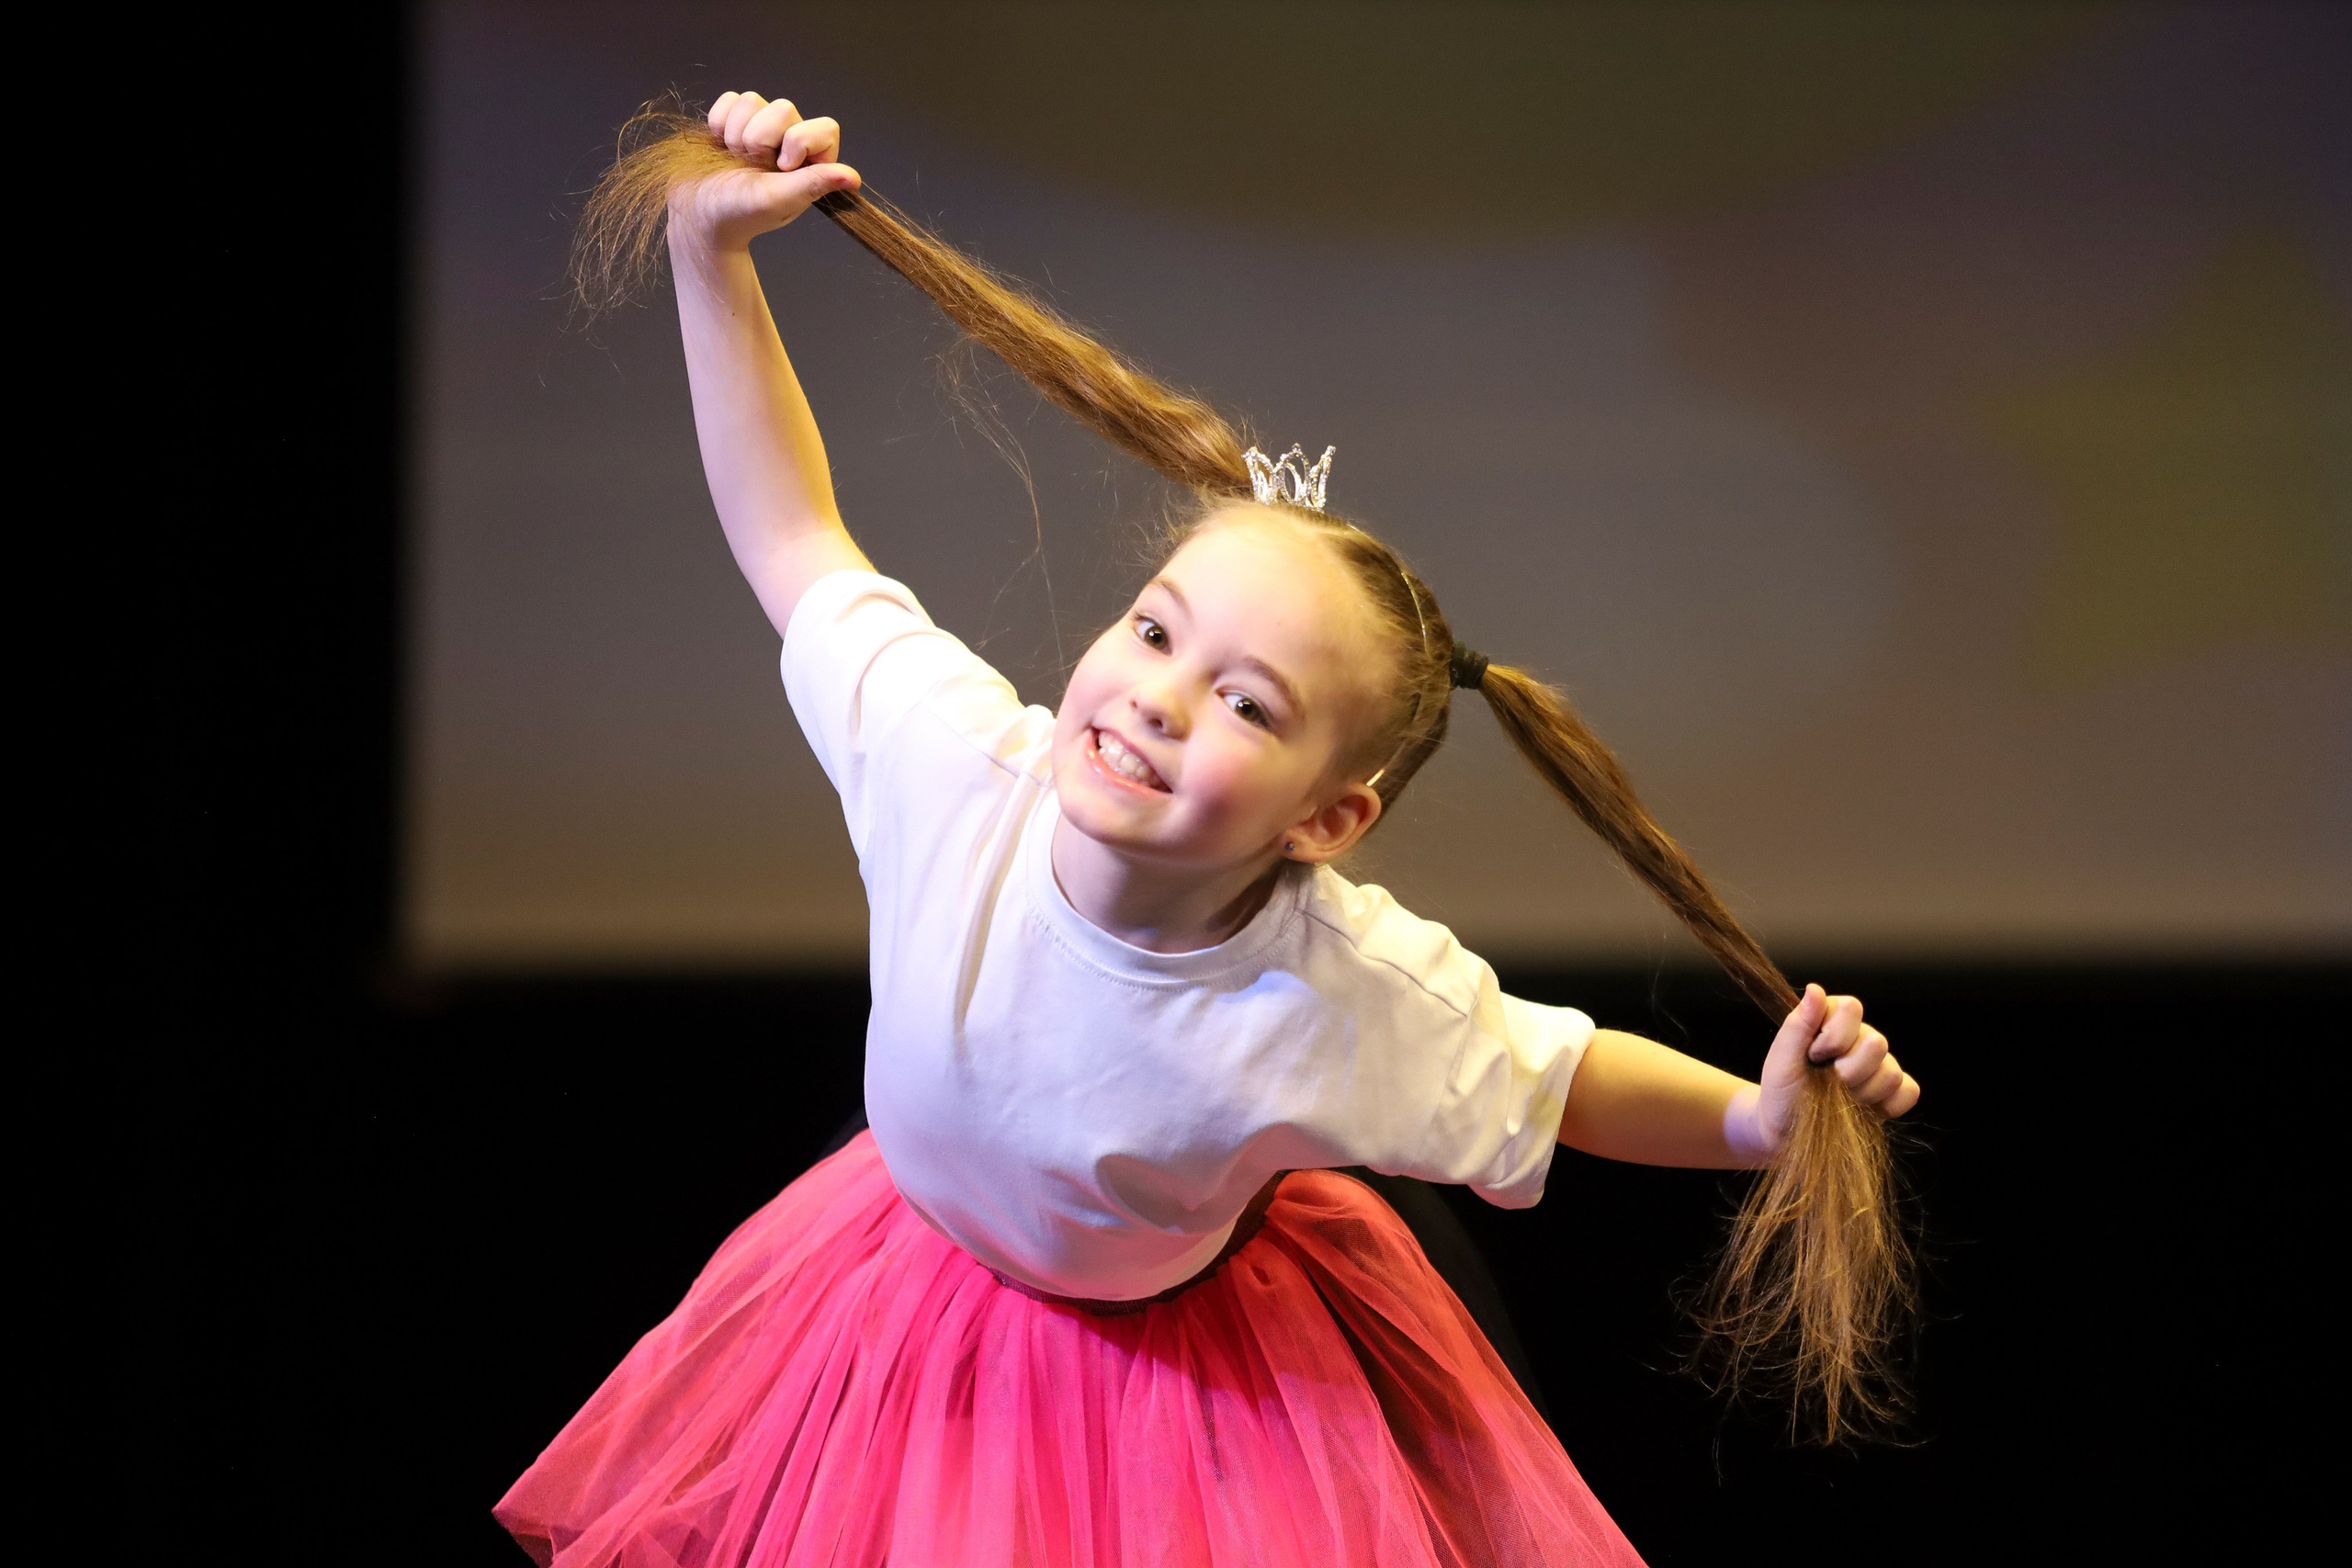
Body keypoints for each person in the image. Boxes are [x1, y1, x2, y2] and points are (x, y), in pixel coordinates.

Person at [498, 91, 1921, 1568]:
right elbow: (795, 535)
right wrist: (704, 252)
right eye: (1155, 630)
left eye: (1248, 705)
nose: (1160, 700)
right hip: (898, 1299)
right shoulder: (956, 765)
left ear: (1330, 818)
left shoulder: (1335, 988)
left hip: (1170, 1392)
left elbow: (1560, 1076)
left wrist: (1759, 1121)